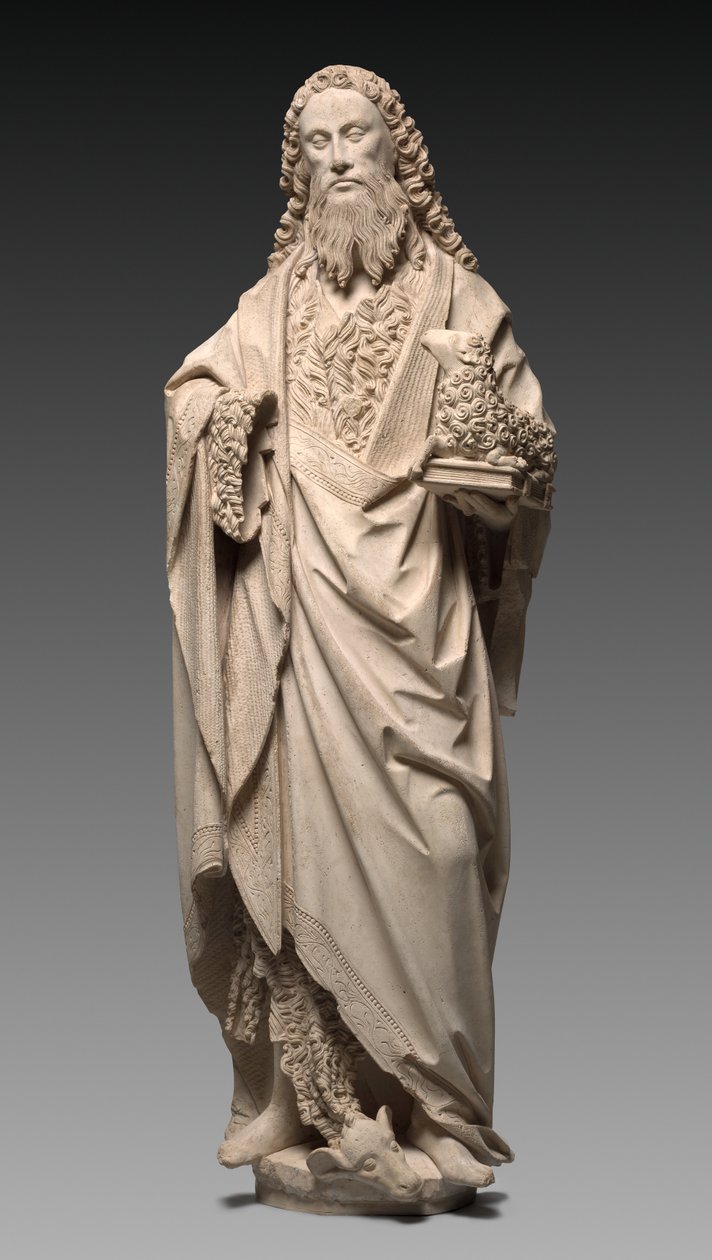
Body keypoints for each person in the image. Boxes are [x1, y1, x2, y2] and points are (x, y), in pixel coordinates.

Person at [165, 64, 554, 1193]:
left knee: (443, 847)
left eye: (357, 137)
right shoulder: (268, 305)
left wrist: (496, 484)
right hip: (299, 637)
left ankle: (448, 1116)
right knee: (292, 867)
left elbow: (525, 455)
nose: (338, 159)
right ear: (298, 173)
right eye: (317, 145)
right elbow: (191, 393)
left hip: (421, 637)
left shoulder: (463, 303)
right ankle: (301, 1104)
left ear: (399, 158)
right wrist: (222, 421)